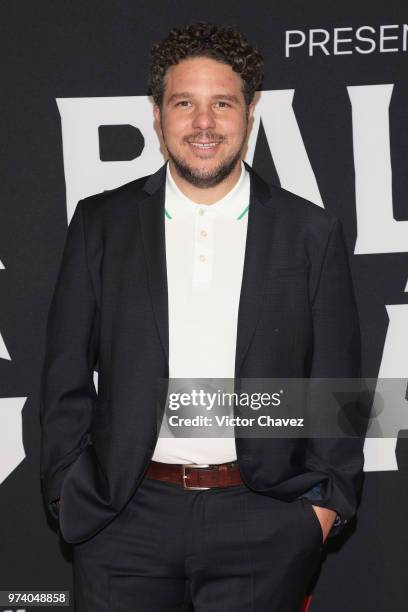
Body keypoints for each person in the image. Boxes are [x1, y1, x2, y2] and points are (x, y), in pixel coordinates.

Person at [40, 21, 363, 612]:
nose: (205, 123)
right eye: (185, 103)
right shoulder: (100, 224)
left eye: (223, 103)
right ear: (158, 115)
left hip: (264, 517)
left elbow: (338, 384)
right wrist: (68, 492)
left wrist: (321, 509)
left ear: (250, 112)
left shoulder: (310, 232)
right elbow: (63, 378)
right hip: (124, 519)